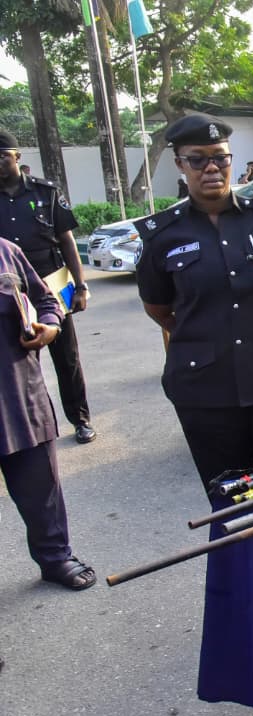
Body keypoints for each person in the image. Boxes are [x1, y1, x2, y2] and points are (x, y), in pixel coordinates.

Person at [133, 113, 253, 705]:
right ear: (179, 168)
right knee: (230, 508)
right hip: (206, 394)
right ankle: (248, 623)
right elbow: (161, 308)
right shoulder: (162, 234)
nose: (211, 168)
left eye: (220, 157)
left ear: (231, 163)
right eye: (197, 160)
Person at [0, 237, 96, 591]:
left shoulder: (7, 251)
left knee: (41, 488)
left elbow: (45, 299)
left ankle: (56, 558)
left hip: (19, 397)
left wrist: (51, 325)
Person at [0, 131, 96, 444]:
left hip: (51, 288)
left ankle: (80, 420)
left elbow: (67, 240)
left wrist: (80, 286)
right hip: (10, 292)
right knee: (21, 364)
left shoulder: (45, 192)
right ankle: (33, 428)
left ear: (17, 157)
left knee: (67, 360)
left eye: (3, 155)